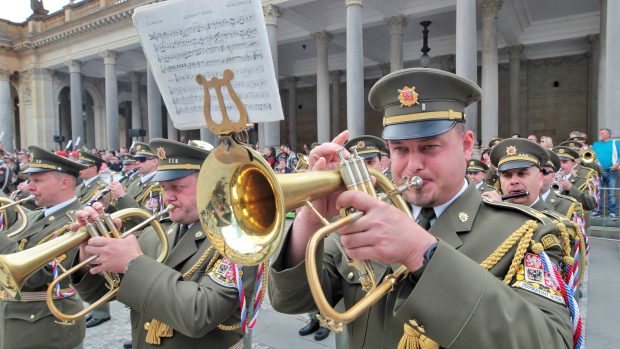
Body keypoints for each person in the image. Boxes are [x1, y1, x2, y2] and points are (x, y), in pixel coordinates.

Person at [268, 68, 573, 348]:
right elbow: (288, 300)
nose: (413, 165)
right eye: (400, 149)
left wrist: (422, 253)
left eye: (429, 147)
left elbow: (549, 341)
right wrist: (310, 216)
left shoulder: (526, 233)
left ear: (467, 146)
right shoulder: (366, 217)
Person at [71, 139, 259, 348]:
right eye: (163, 188)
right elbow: (96, 293)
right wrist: (90, 254)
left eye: (177, 187)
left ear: (211, 184)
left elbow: (200, 314)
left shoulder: (238, 239)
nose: (168, 197)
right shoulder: (156, 232)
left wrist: (133, 264)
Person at [0, 145, 87, 349]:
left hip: (43, 326)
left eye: (37, 181)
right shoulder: (34, 214)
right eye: (30, 180)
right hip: (17, 318)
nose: (29, 187)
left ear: (64, 183)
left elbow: (42, 276)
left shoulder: (77, 224)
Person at [552, 145, 597, 212]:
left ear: (573, 163)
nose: (561, 165)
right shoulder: (548, 178)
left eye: (564, 162)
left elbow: (591, 204)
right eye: (558, 162)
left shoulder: (583, 181)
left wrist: (571, 188)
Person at [591, 128, 620, 219]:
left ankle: (612, 212)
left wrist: (617, 164)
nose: (600, 134)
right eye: (600, 133)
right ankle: (596, 211)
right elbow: (591, 155)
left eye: (602, 133)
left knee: (611, 193)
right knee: (598, 192)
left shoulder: (615, 143)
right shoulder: (596, 144)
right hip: (598, 172)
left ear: (608, 135)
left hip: (611, 172)